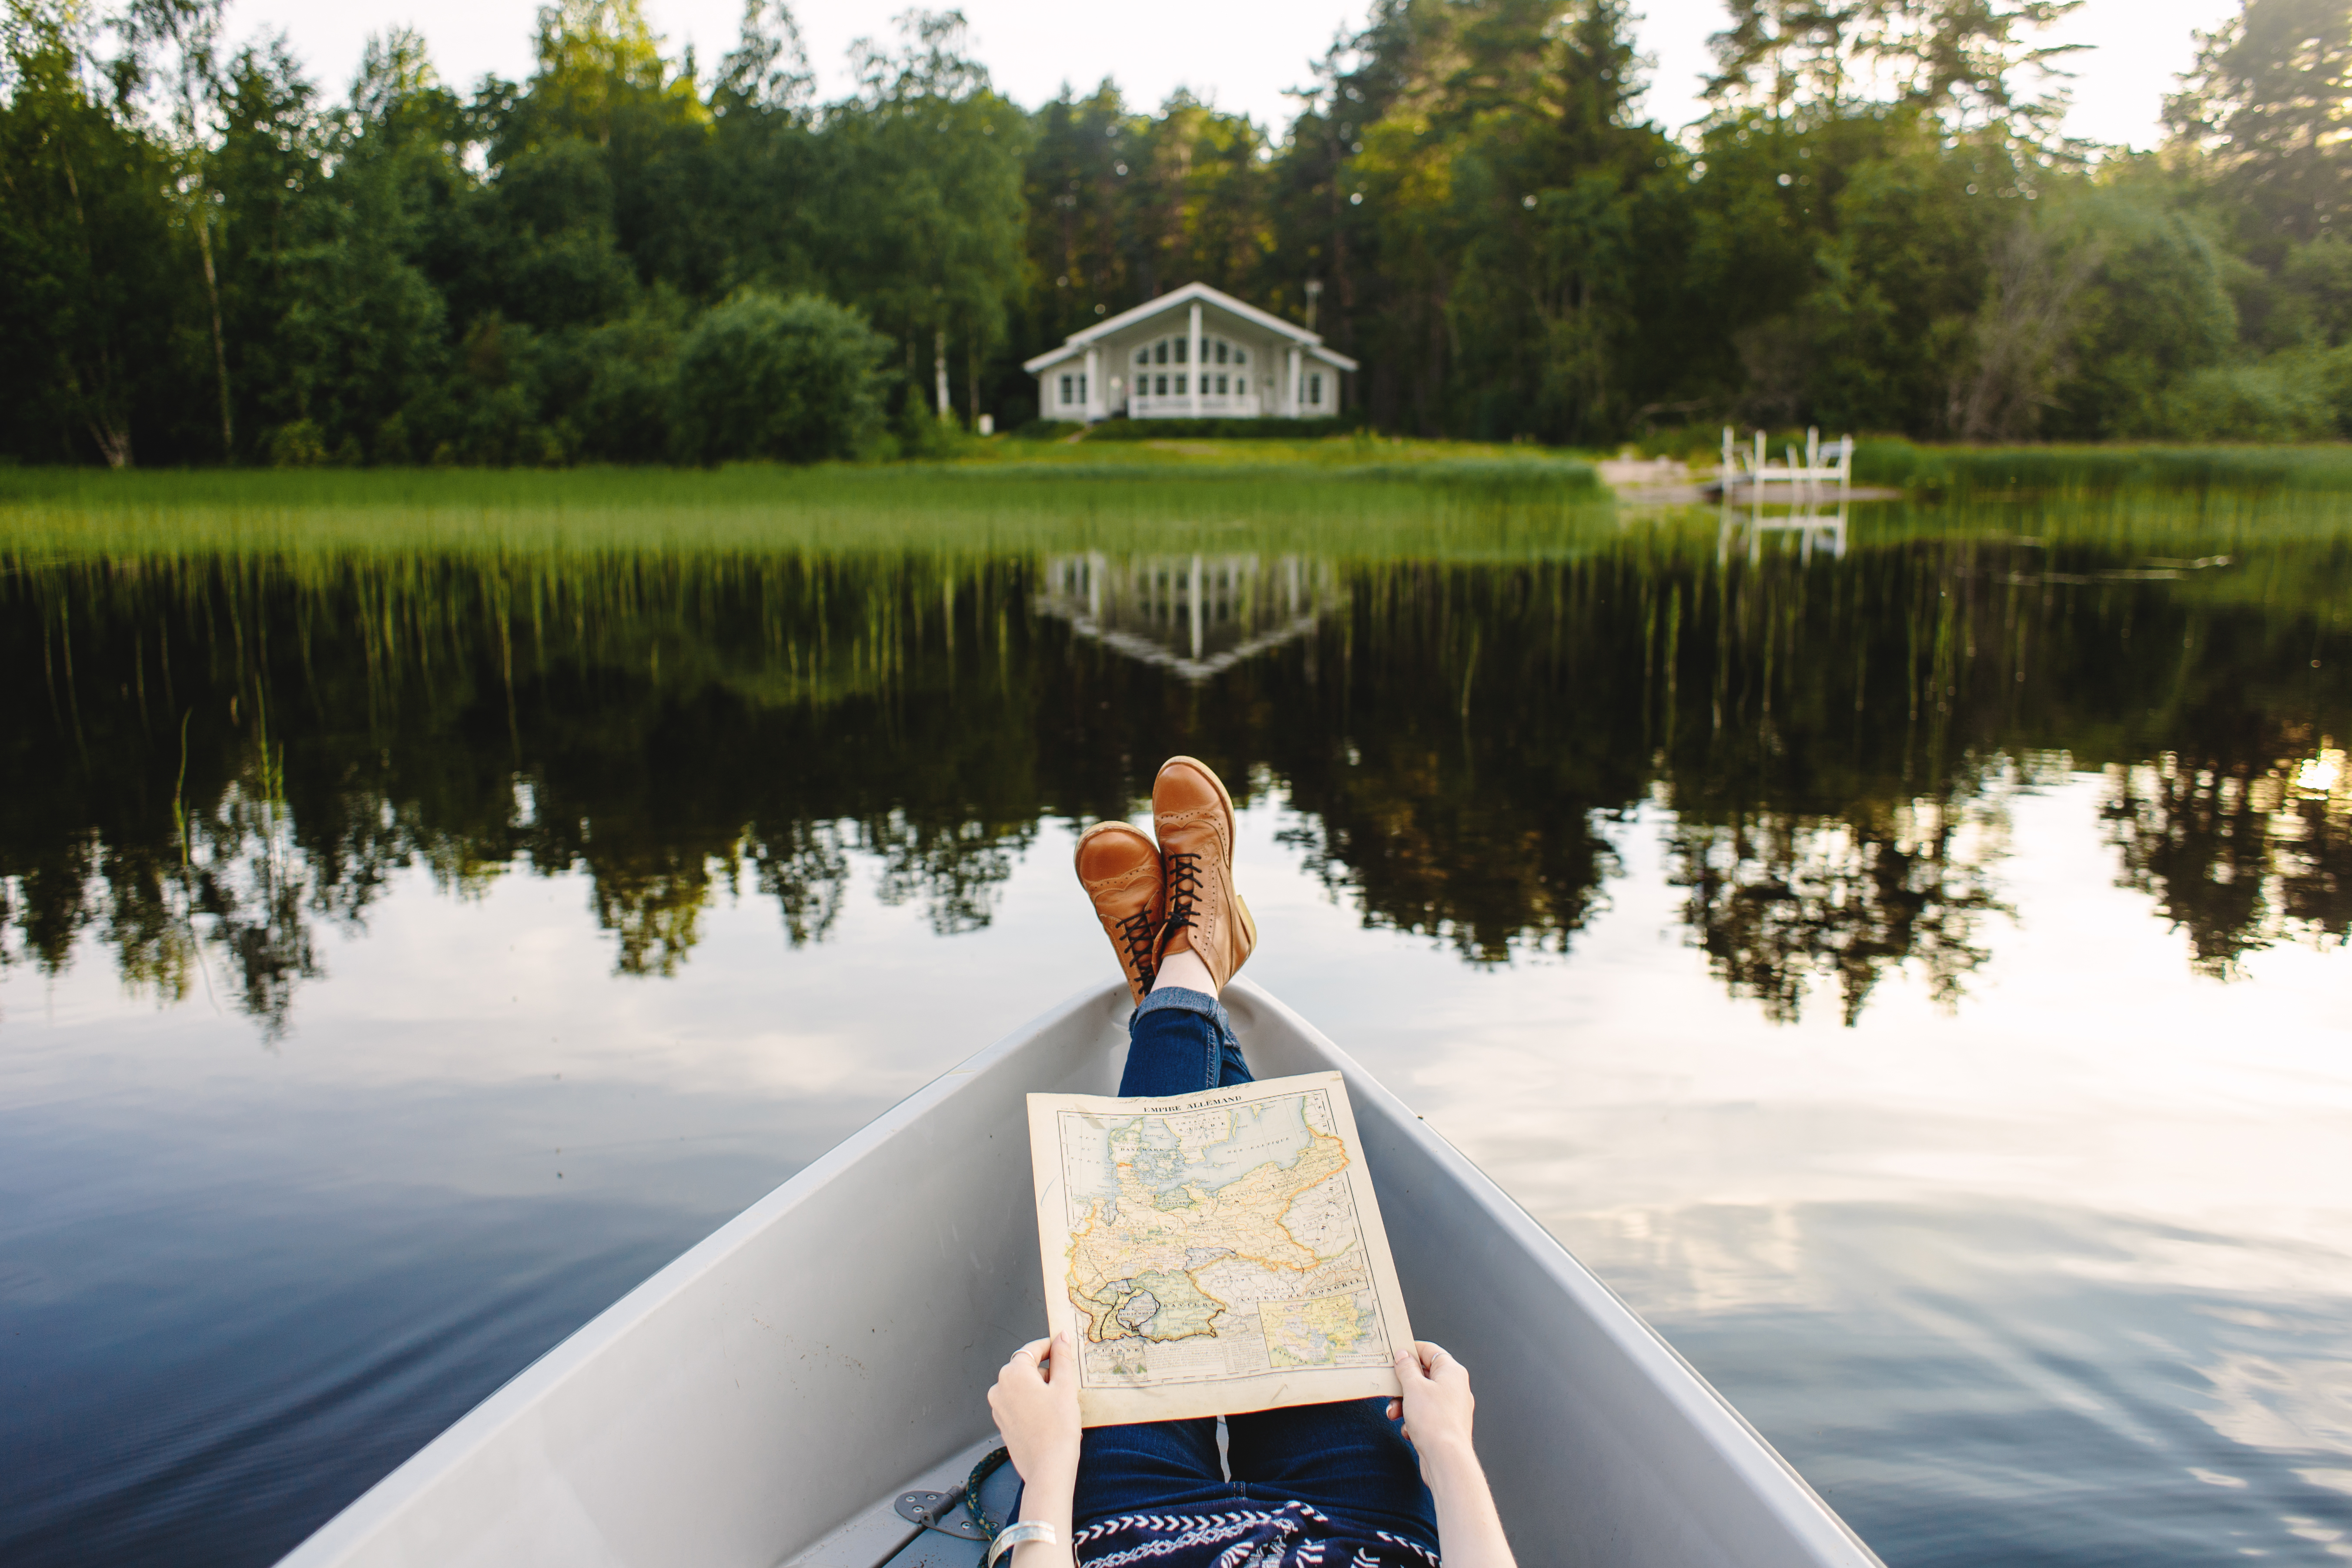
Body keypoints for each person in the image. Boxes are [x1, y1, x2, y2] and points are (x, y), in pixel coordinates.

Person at [984, 756, 1519, 1568]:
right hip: (1362, 1528)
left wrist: (1048, 1465)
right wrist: (1447, 1449)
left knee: (1146, 1248)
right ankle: (1189, 967)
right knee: (1279, 1243)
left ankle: (1184, 968)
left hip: (1131, 1537)